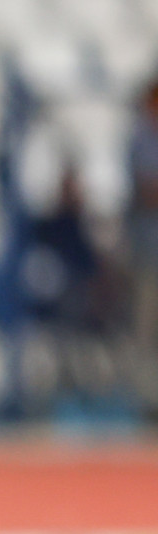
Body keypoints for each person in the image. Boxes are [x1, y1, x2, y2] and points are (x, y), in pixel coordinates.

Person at [128, 77, 158, 420]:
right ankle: (148, 404)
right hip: (149, 251)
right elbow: (148, 190)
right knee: (146, 330)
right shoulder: (142, 139)